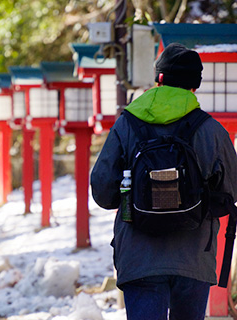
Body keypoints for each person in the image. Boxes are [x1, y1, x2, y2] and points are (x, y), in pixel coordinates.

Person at [91, 43, 237, 319]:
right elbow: (231, 190)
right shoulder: (211, 130)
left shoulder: (127, 124)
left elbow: (102, 192)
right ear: (196, 84)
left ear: (159, 79)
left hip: (139, 258)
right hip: (194, 257)